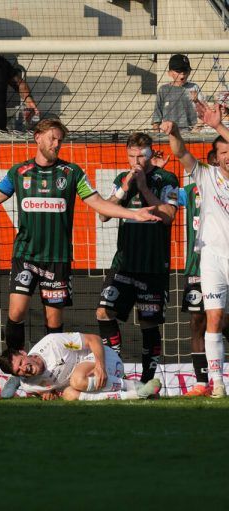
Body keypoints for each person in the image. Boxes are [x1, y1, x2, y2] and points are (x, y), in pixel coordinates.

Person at [0, 119, 160, 397]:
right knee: (16, 312)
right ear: (37, 137)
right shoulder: (19, 172)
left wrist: (134, 214)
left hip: (57, 259)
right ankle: (16, 373)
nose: (56, 144)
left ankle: (51, 380)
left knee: (53, 324)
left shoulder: (72, 172)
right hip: (25, 255)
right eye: (52, 138)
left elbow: (99, 204)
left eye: (60, 140)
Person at [94, 133, 179, 384]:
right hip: (124, 263)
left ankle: (146, 382)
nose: (136, 161)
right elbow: (103, 215)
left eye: (141, 156)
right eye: (131, 156)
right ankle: (115, 368)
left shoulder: (167, 179)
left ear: (150, 153)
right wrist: (125, 187)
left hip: (153, 265)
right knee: (103, 311)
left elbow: (169, 216)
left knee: (148, 323)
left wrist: (143, 188)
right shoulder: (123, 178)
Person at [161, 101, 229, 398]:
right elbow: (181, 153)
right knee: (212, 318)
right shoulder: (206, 175)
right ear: (216, 157)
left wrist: (218, 126)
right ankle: (217, 383)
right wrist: (174, 132)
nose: (227, 157)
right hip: (211, 258)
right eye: (223, 152)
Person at [179, 149, 229, 396]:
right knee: (201, 320)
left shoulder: (221, 188)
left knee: (221, 321)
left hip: (221, 258)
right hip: (198, 264)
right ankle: (204, 383)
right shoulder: (188, 191)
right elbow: (165, 204)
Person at [0, 332, 162, 401]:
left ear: (24, 353)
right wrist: (47, 394)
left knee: (76, 380)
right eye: (18, 371)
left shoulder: (52, 343)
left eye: (21, 363)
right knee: (69, 394)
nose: (24, 369)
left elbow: (94, 339)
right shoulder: (29, 384)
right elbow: (42, 392)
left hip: (106, 360)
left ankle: (134, 385)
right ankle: (137, 394)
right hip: (90, 383)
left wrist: (100, 366)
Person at [152, 54, 203, 132]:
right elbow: (156, 117)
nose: (182, 74)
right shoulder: (163, 90)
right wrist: (157, 134)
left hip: (191, 134)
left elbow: (204, 112)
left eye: (185, 71)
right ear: (170, 73)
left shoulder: (194, 88)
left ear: (189, 72)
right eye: (178, 71)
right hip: (169, 134)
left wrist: (197, 102)